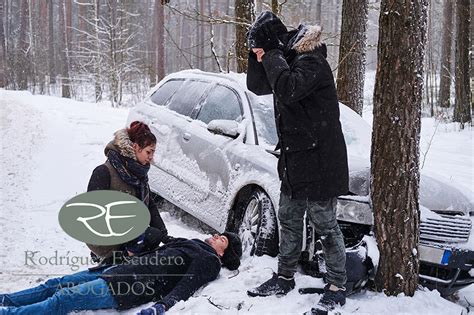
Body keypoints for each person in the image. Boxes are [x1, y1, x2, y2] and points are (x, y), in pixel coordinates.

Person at [246, 11, 349, 313]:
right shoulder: (290, 60)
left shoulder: (313, 62)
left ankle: (336, 284)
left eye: (268, 47)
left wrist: (272, 53)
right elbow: (260, 86)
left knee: (325, 225)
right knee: (289, 219)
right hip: (295, 158)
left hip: (321, 161)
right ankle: (284, 276)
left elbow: (288, 90)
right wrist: (259, 55)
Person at [0, 231, 242, 315]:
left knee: (65, 298)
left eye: (222, 239)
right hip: (117, 269)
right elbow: (162, 239)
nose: (216, 236)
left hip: (129, 285)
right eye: (219, 233)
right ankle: (5, 301)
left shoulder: (209, 261)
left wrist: (163, 306)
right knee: (56, 284)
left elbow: (187, 285)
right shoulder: (193, 243)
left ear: (224, 253)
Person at [86, 121, 168, 264]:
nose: (151, 158)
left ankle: (128, 256)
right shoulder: (104, 172)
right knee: (148, 236)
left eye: (153, 153)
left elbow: (149, 205)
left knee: (155, 236)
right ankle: (112, 258)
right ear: (135, 147)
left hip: (127, 234)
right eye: (149, 152)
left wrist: (164, 236)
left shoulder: (138, 173)